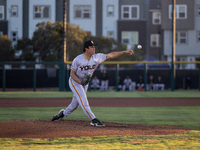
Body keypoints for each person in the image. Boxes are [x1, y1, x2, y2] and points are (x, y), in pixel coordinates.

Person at [51, 40, 133, 127]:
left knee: (75, 104)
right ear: (86, 49)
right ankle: (94, 120)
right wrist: (80, 82)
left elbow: (111, 55)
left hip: (85, 82)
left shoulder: (97, 57)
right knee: (83, 100)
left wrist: (124, 52)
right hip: (75, 81)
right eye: (91, 47)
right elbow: (72, 74)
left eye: (94, 46)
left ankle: (62, 114)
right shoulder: (78, 59)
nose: (94, 48)